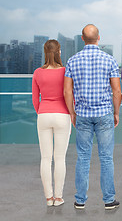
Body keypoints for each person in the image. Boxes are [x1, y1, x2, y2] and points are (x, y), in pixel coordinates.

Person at [63, 24, 122, 210]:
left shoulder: (72, 61)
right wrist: (116, 112)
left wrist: (72, 111)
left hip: (82, 115)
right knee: (106, 158)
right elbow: (117, 90)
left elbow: (67, 91)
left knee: (82, 158)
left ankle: (80, 200)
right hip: (104, 113)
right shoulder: (109, 60)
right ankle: (109, 200)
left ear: (82, 39)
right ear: (99, 38)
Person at [32, 40, 71, 207]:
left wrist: (42, 111)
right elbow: (70, 94)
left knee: (46, 158)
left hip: (44, 114)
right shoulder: (65, 72)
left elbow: (35, 99)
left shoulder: (37, 73)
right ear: (59, 52)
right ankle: (58, 197)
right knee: (60, 158)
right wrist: (71, 112)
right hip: (62, 115)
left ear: (45, 52)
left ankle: (48, 198)